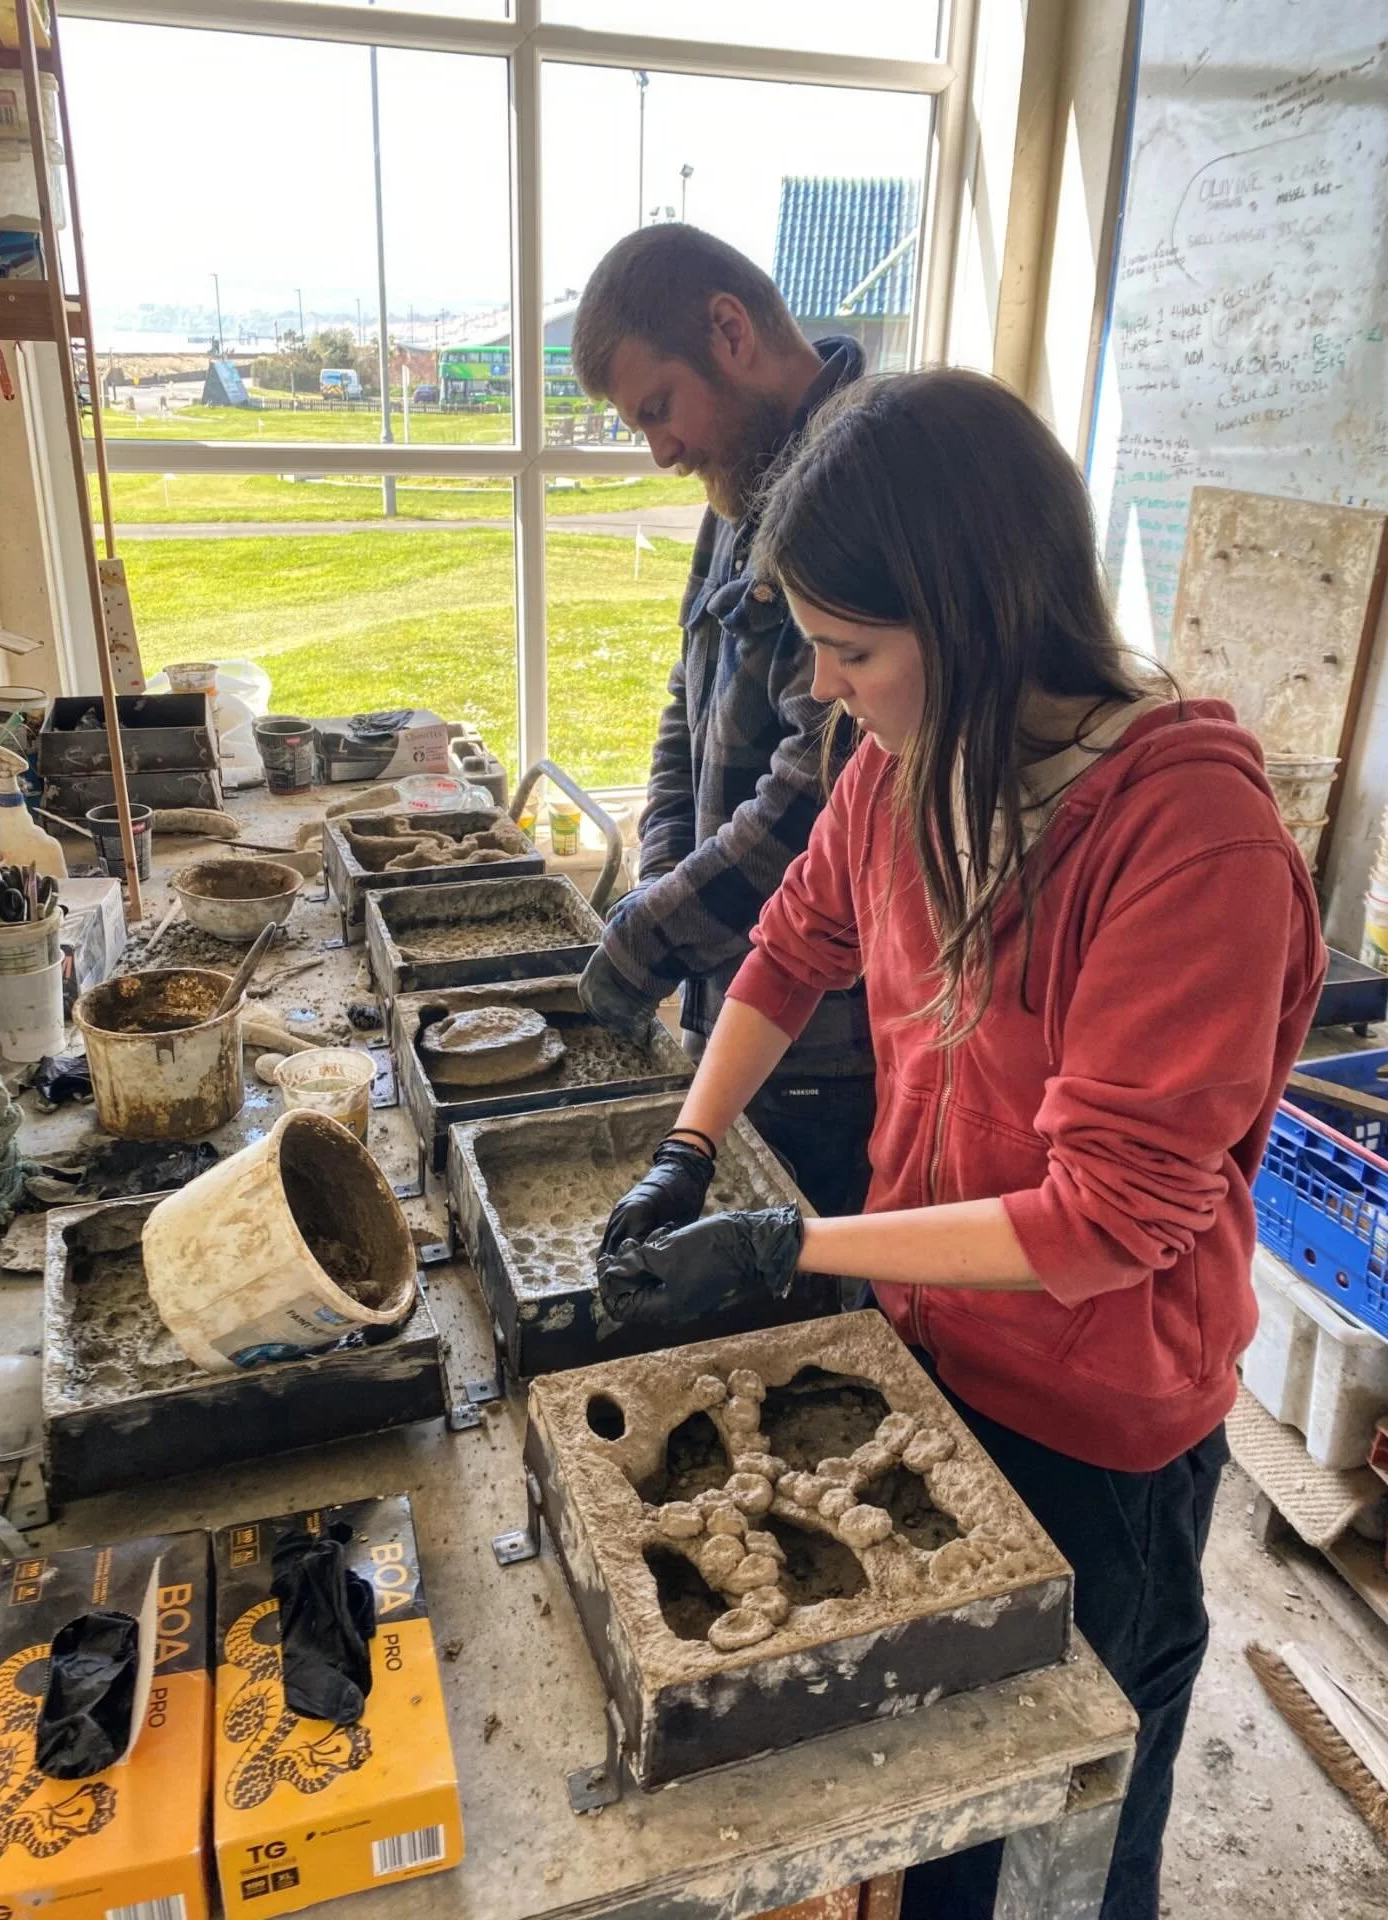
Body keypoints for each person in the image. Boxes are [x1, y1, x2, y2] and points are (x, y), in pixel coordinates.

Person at [594, 369, 1325, 1920]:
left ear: (981, 617)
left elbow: (1100, 1224)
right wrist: (689, 1139)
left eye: (851, 650)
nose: (825, 685)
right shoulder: (909, 763)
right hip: (922, 1363)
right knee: (917, 1808)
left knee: (1062, 1818)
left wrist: (796, 1244)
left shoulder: (1185, 836)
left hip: (1094, 1421)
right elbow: (792, 952)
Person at [569, 224, 877, 1218]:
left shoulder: (871, 482)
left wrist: (651, 936)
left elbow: (818, 787)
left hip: (832, 1045)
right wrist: (662, 882)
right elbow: (682, 700)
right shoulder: (737, 480)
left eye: (659, 407)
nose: (660, 450)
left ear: (729, 329)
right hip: (731, 990)